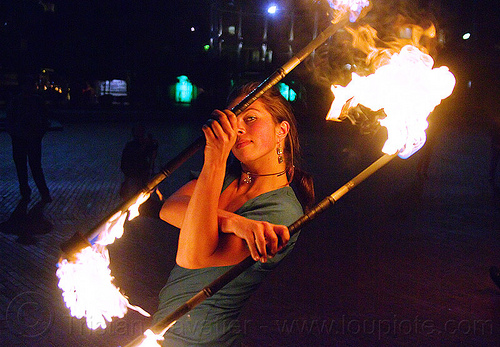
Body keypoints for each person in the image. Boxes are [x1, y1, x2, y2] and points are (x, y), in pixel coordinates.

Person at [153, 82, 315, 346]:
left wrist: (215, 159)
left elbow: (192, 256)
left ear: (281, 130)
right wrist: (233, 222)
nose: (238, 128)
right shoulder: (227, 179)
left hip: (205, 340)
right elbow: (170, 208)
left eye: (251, 118)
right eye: (233, 120)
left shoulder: (283, 211)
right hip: (166, 331)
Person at [6, 74, 52, 203]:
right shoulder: (34, 101)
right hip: (28, 138)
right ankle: (41, 192)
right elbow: (45, 119)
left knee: (25, 167)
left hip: (23, 137)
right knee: (33, 167)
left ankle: (28, 193)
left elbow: (10, 120)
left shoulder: (19, 101)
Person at [119, 124, 158, 200]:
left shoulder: (144, 144)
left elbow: (152, 157)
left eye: (142, 132)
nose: (141, 134)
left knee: (143, 196)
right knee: (133, 197)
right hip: (133, 175)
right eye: (139, 132)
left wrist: (153, 147)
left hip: (143, 175)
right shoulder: (131, 146)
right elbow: (136, 154)